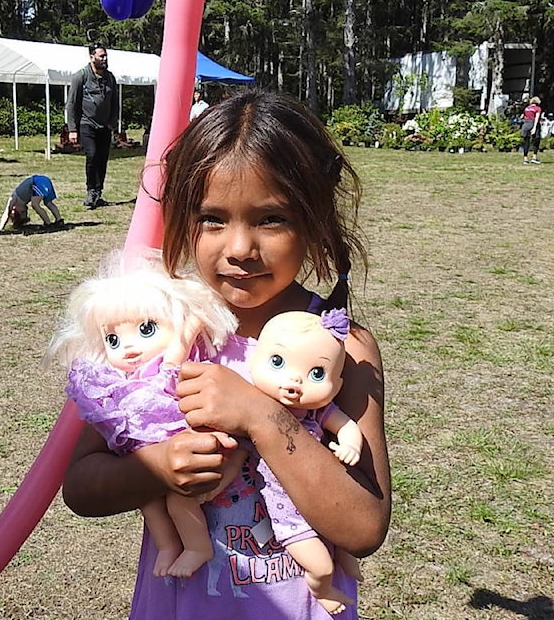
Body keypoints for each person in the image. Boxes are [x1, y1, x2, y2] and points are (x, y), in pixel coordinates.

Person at [62, 90, 391, 619]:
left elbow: (364, 525)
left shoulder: (341, 347)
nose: (239, 247)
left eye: (271, 219)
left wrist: (259, 413)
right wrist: (157, 468)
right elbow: (80, 488)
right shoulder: (160, 334)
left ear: (314, 218)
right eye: (212, 218)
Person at [48, 251, 241, 579]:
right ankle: (168, 546)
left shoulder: (168, 370)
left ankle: (197, 547)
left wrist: (193, 323)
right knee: (150, 505)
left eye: (147, 329)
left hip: (189, 450)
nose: (128, 347)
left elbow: (179, 347)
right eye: (113, 339)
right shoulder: (120, 384)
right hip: (149, 461)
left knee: (179, 503)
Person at [248, 308, 364, 614]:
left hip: (323, 497)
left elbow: (348, 425)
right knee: (321, 566)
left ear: (336, 386)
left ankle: (344, 556)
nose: (294, 381)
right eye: (278, 363)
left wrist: (350, 444)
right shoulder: (255, 406)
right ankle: (323, 589)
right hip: (290, 518)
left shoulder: (318, 413)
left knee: (342, 539)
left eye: (317, 374)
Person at [66, 43, 118, 210]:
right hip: (86, 124)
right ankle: (90, 191)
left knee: (102, 159)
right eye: (101, 56)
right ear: (92, 57)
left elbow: (115, 102)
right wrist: (72, 129)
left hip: (105, 126)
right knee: (92, 155)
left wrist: (113, 121)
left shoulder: (110, 77)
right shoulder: (80, 76)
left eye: (105, 56)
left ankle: (98, 192)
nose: (104, 59)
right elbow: (72, 104)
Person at [0, 174, 65, 231]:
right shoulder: (21, 201)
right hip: (45, 180)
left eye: (22, 212)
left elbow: (6, 213)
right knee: (48, 203)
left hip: (37, 182)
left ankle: (48, 223)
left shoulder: (13, 199)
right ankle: (59, 220)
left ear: (14, 208)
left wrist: (1, 227)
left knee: (35, 204)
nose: (25, 210)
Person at [520, 96, 542, 164]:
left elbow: (522, 116)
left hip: (526, 124)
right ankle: (534, 157)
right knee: (536, 140)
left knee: (526, 141)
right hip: (533, 123)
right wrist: (534, 127)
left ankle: (525, 158)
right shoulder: (538, 108)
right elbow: (537, 118)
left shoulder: (527, 108)